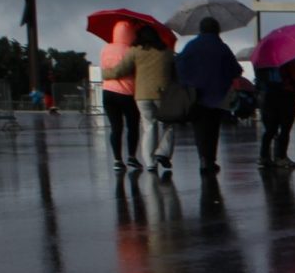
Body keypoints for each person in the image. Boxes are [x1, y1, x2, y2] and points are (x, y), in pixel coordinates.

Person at [176, 16, 244, 177]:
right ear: (217, 29)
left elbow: (179, 66)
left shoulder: (191, 46)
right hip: (217, 95)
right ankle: (211, 159)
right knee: (213, 129)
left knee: (200, 129)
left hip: (196, 95)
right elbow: (235, 70)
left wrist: (188, 83)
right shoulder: (221, 47)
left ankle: (203, 158)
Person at [123, 27, 176, 174]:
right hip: (163, 94)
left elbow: (123, 68)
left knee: (149, 127)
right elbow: (175, 69)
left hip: (142, 95)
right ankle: (163, 152)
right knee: (168, 125)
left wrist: (106, 74)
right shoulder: (167, 51)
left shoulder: (135, 51)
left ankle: (150, 163)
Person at [98, 20, 141, 171]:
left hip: (108, 92)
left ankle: (117, 159)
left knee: (116, 128)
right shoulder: (131, 50)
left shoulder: (105, 48)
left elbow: (103, 67)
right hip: (127, 93)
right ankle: (132, 157)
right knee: (132, 126)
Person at [256, 58, 295, 172]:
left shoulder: (261, 63)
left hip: (267, 96)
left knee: (270, 129)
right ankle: (281, 156)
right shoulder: (288, 60)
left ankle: (264, 156)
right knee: (285, 127)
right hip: (286, 95)